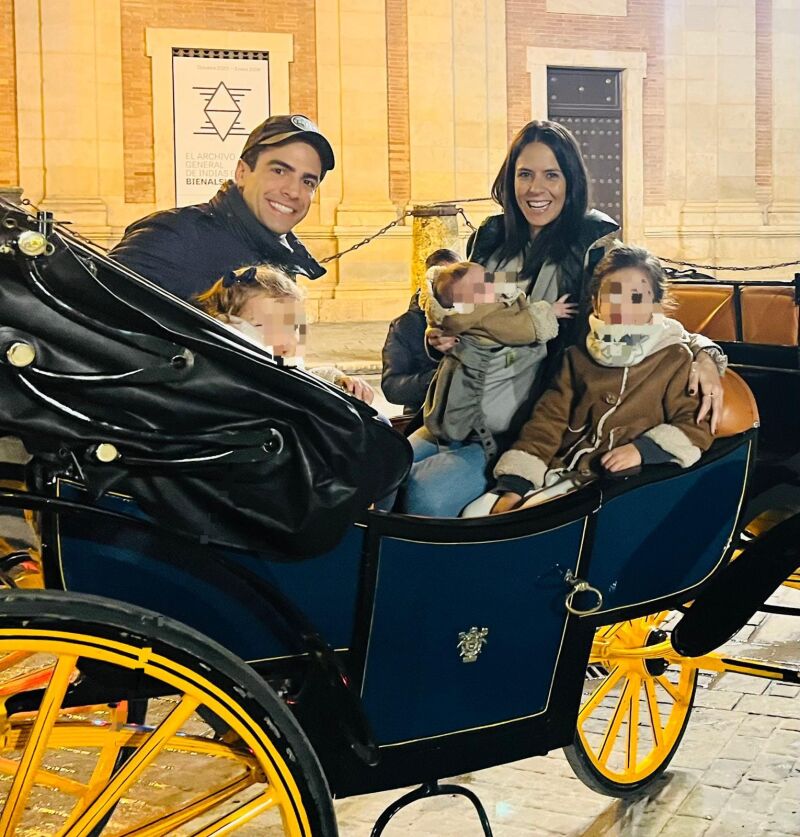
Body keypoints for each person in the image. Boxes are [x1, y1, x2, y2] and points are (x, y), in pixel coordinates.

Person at [403, 120, 725, 517]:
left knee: (425, 497)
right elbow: (458, 318)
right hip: (455, 411)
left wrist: (708, 354)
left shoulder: (594, 247)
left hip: (528, 428)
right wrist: (439, 342)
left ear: (570, 182)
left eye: (551, 175)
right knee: (382, 473)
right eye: (525, 175)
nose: (536, 189)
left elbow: (645, 314)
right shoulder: (489, 242)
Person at [464, 245, 714, 516]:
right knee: (476, 514)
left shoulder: (674, 356)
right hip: (564, 470)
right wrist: (516, 481)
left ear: (655, 304)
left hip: (621, 484)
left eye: (636, 297)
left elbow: (694, 423)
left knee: (531, 519)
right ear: (596, 302)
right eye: (612, 296)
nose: (623, 307)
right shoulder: (577, 357)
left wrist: (643, 449)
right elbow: (548, 420)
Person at [111, 115, 335, 299]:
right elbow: (95, 326)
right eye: (279, 170)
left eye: (307, 182)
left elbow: (283, 348)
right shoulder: (173, 237)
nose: (293, 191)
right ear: (242, 173)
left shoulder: (284, 258)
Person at [412, 260, 575, 463]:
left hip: (504, 422)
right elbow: (525, 328)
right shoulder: (488, 307)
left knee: (419, 488)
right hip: (469, 418)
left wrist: (443, 326)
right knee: (395, 464)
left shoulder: (480, 297)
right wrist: (550, 312)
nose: (493, 282)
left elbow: (450, 308)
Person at [195, 265, 374, 404]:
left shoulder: (278, 363)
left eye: (293, 327)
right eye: (263, 326)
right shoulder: (228, 380)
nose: (284, 339)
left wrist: (336, 380)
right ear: (230, 328)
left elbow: (300, 378)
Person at [380, 248, 459, 415]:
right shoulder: (406, 325)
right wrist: (439, 379)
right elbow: (392, 387)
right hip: (422, 415)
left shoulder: (475, 316)